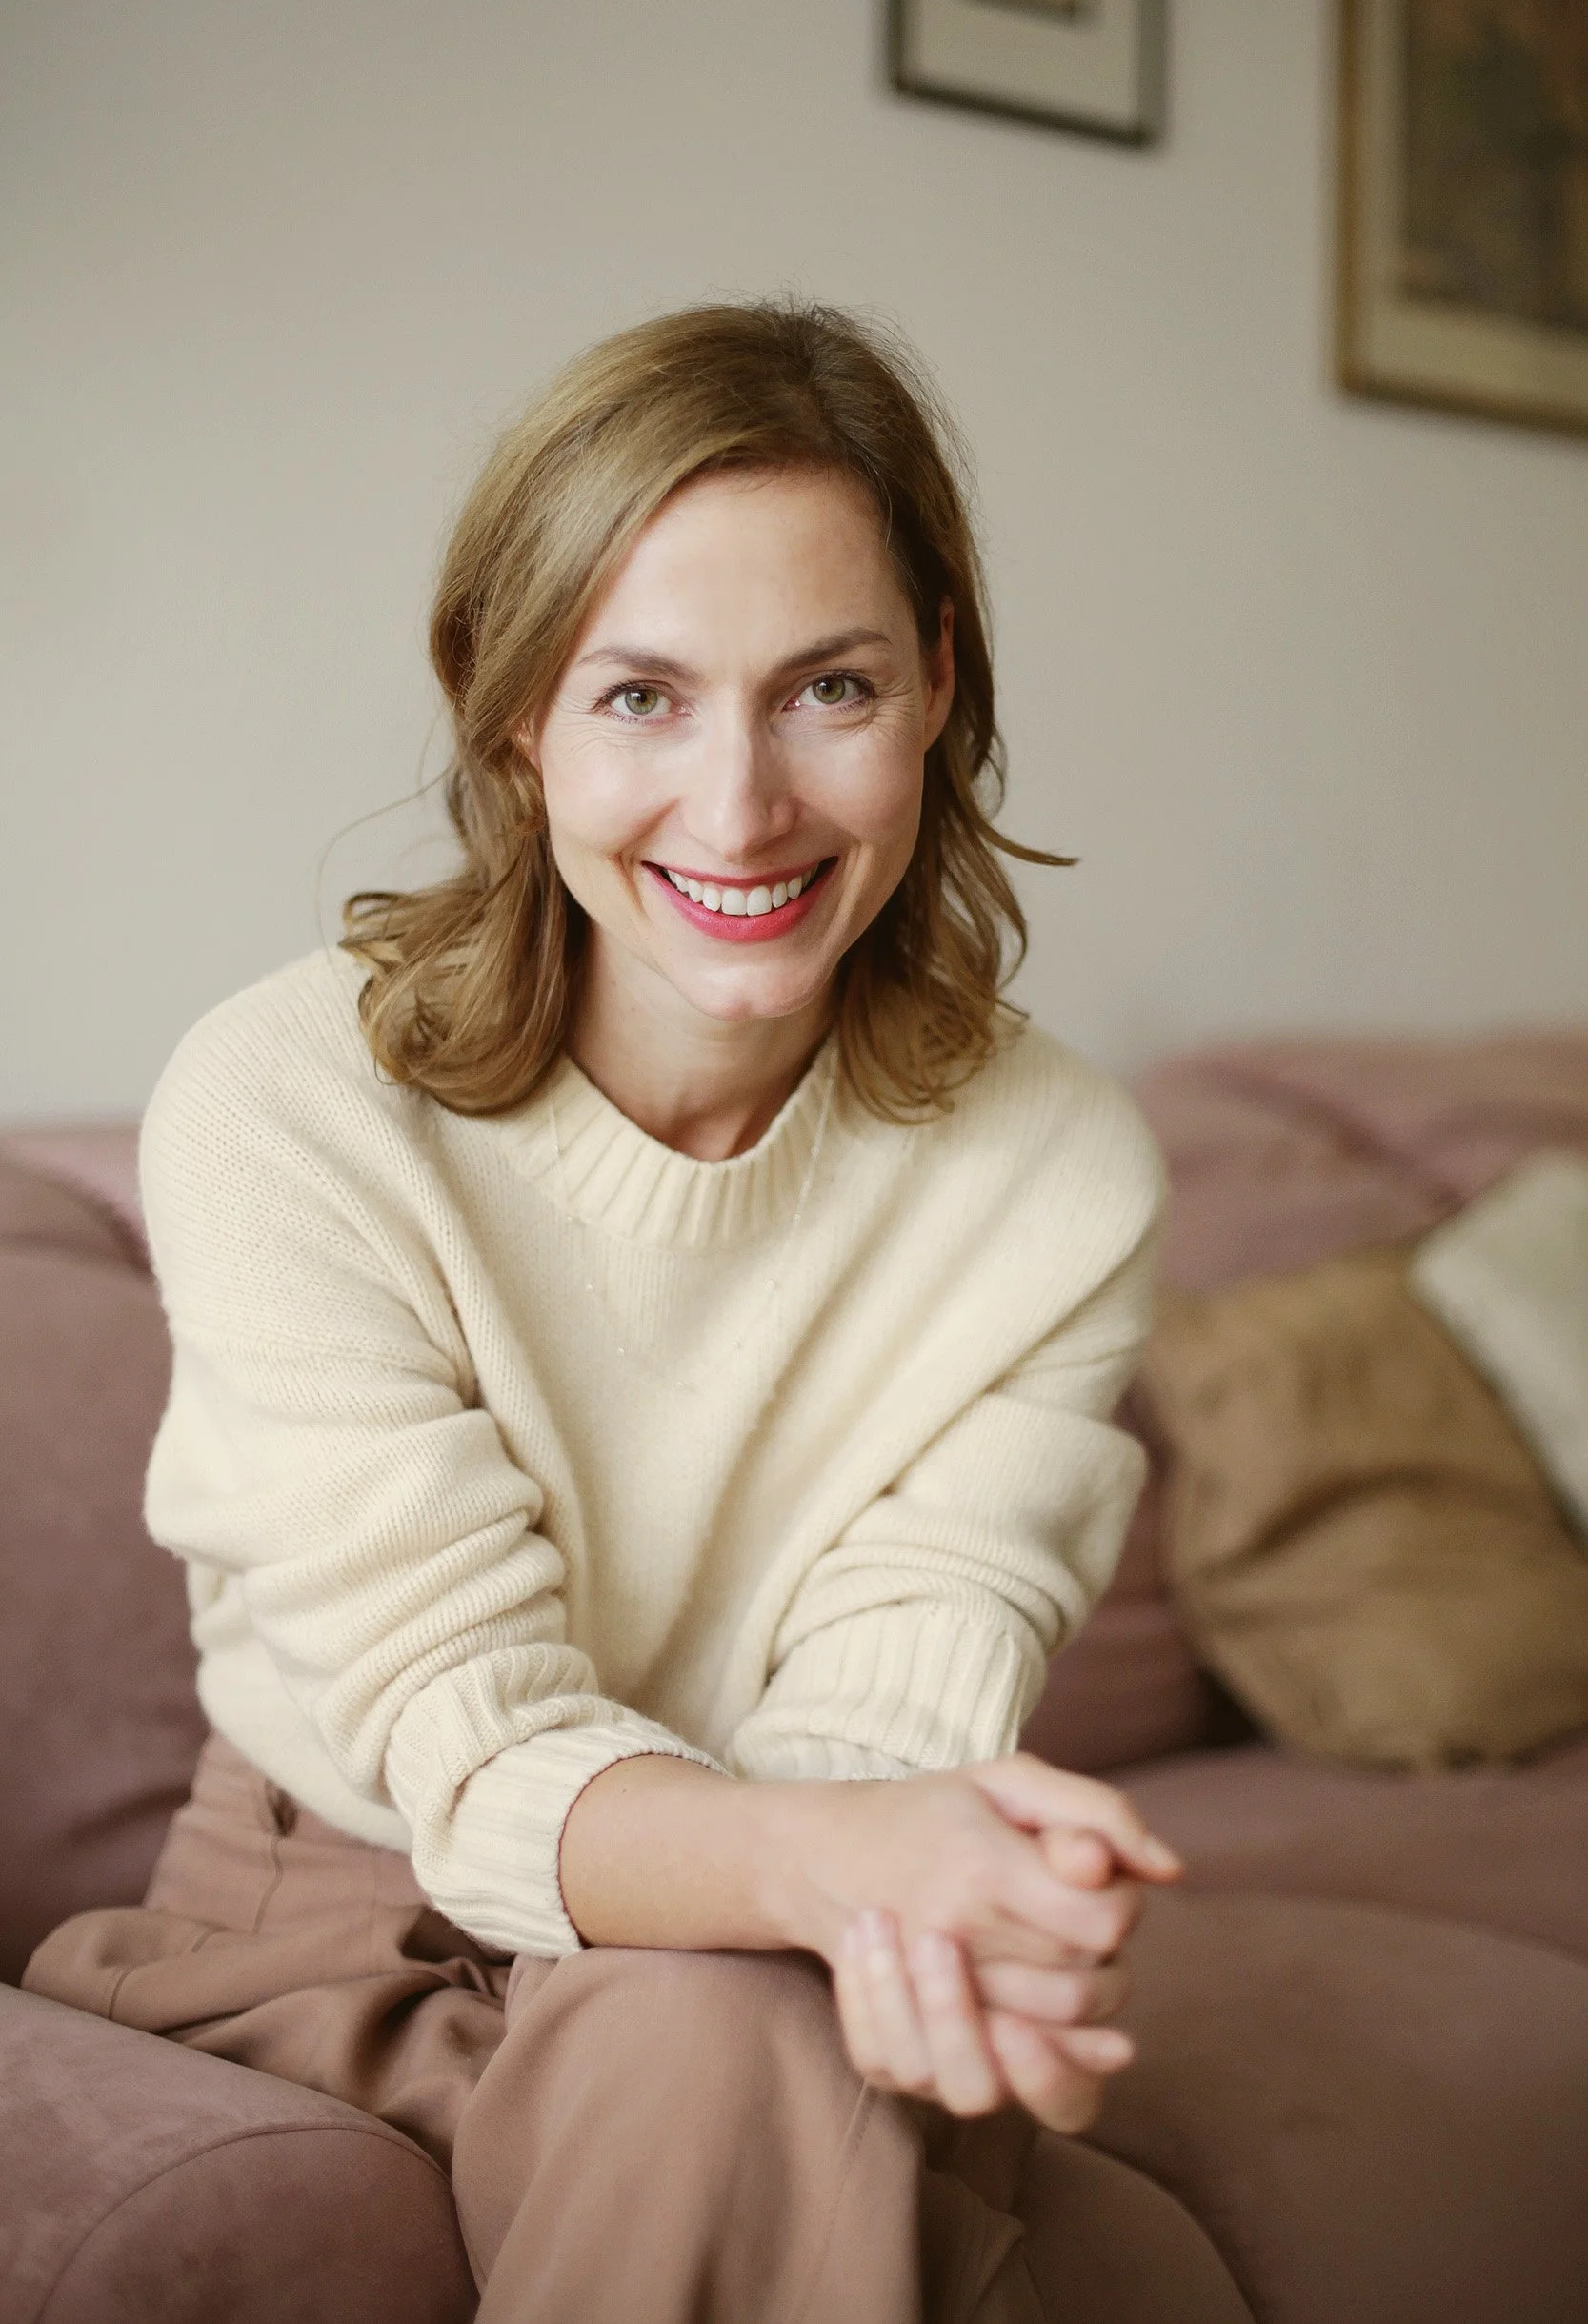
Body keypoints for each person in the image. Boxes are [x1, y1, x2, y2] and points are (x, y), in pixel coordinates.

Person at [27, 301, 1183, 2322]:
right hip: (341, 1918)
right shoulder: (289, 1103)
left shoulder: (1056, 1171)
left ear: (933, 679)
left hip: (777, 1926)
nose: (738, 810)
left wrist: (896, 1888)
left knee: (942, 2150)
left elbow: (882, 1720)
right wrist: (847, 1876)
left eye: (826, 687)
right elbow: (471, 1754)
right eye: (639, 695)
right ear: (509, 717)